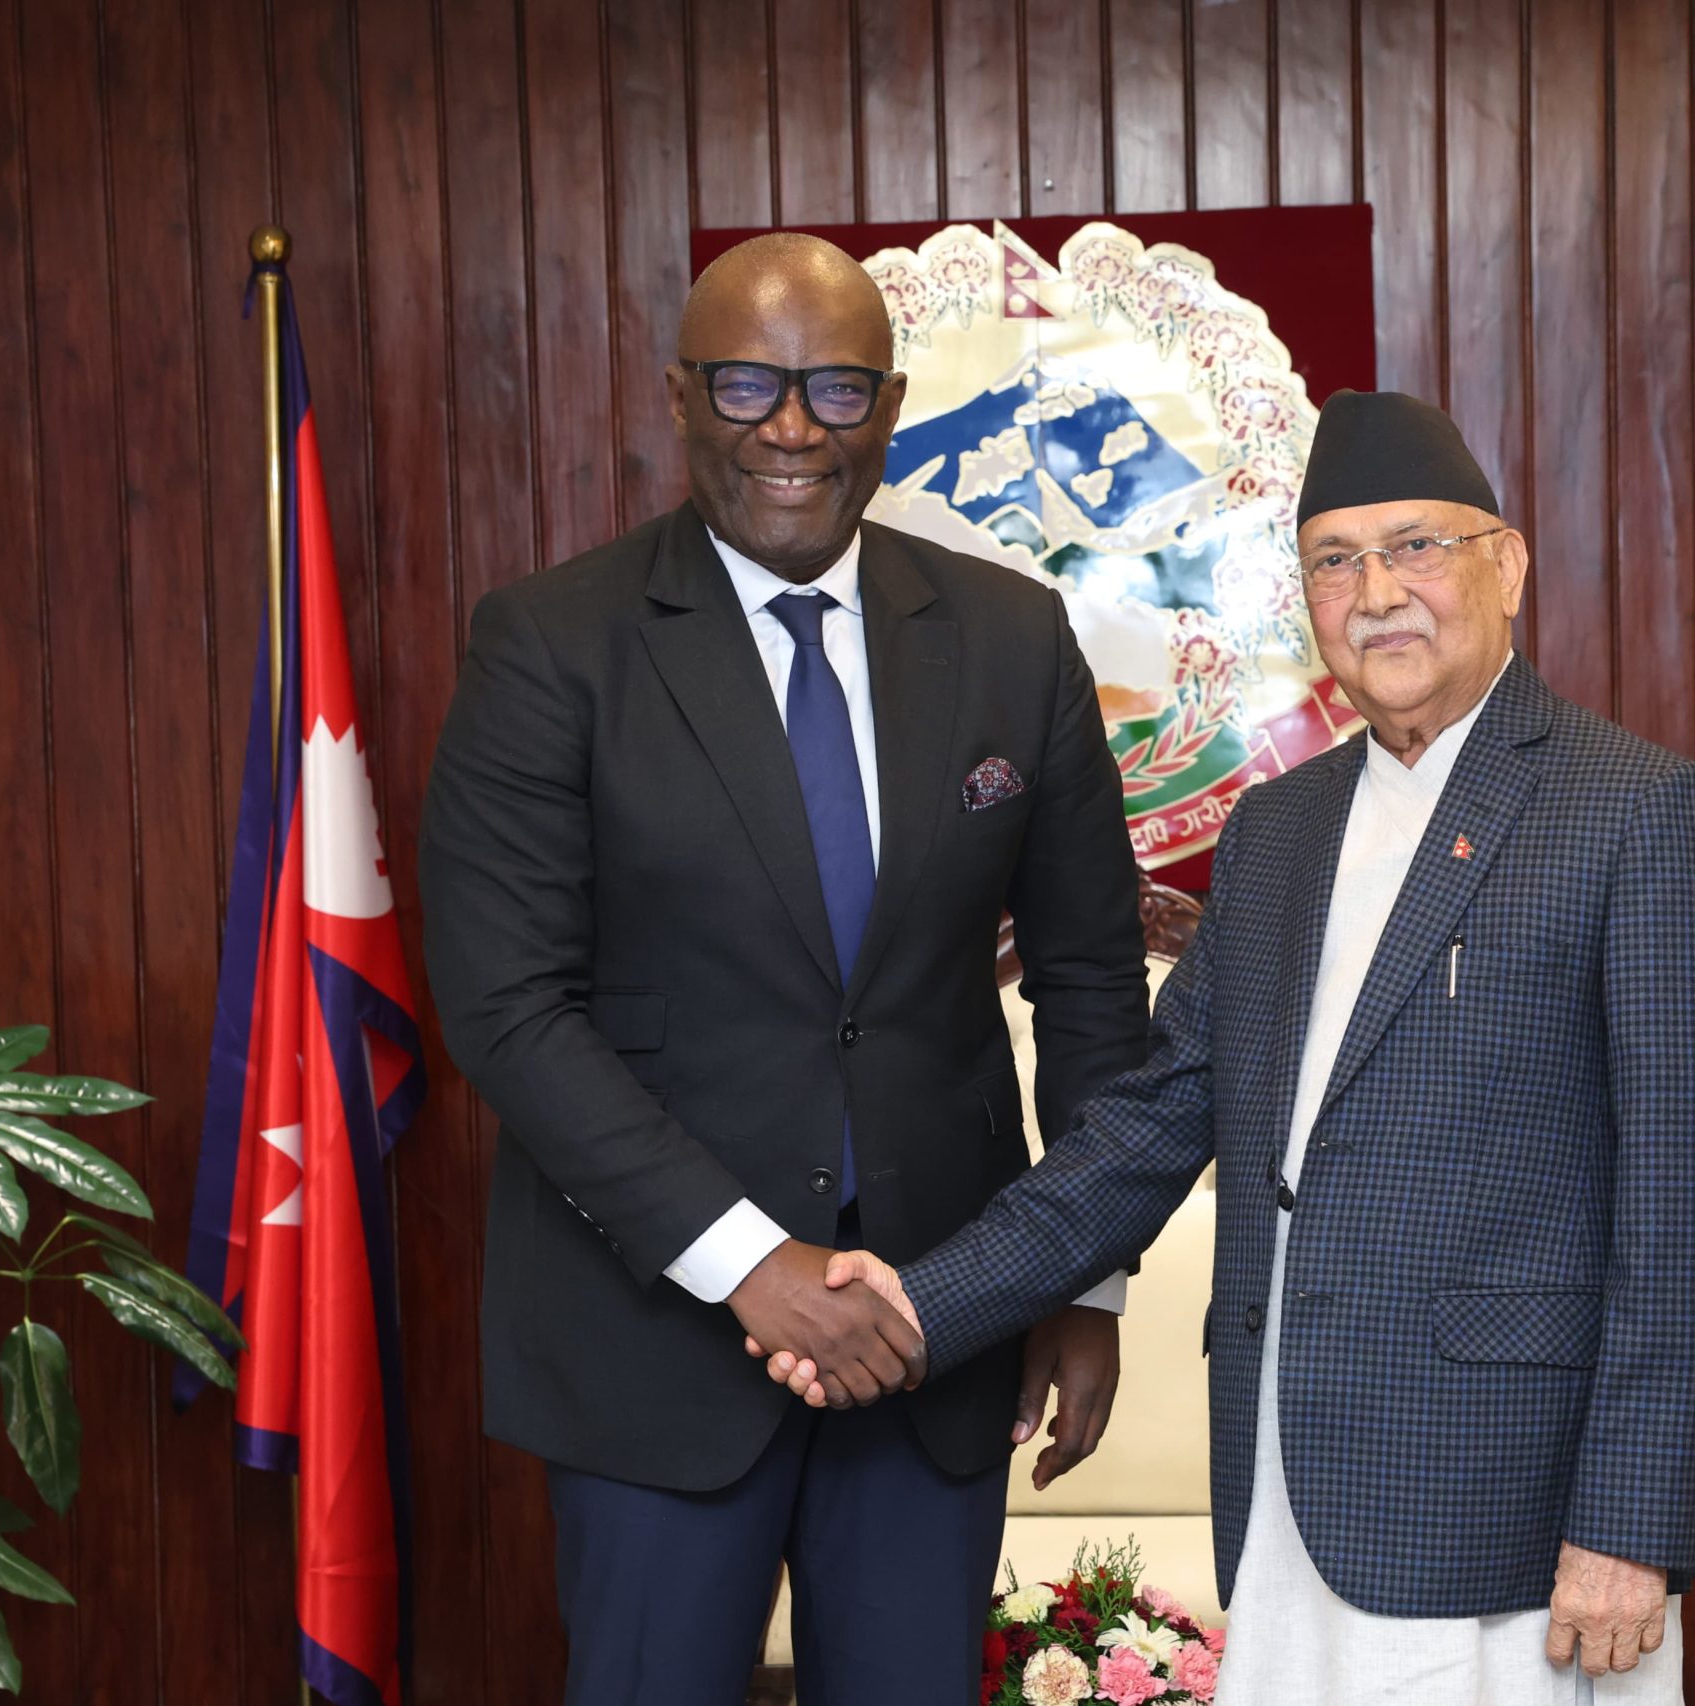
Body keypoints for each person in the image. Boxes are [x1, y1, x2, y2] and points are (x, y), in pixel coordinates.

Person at [755, 390, 1695, 1705]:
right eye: (1336, 561)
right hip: (1289, 1489)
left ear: (1509, 566)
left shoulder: (1640, 811)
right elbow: (1145, 1126)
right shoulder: (1279, 832)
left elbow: (1687, 1214)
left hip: (1515, 1525)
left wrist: (1632, 1518)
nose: (1378, 594)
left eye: (1417, 547)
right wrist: (911, 1302)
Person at [418, 232, 1151, 1706]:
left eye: (837, 388)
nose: (794, 428)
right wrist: (753, 1266)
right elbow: (510, 1008)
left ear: (891, 407)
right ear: (681, 397)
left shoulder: (1012, 636)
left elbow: (1087, 975)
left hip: (937, 1336)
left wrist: (1086, 1282)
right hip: (654, 1343)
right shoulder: (551, 644)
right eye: (748, 385)